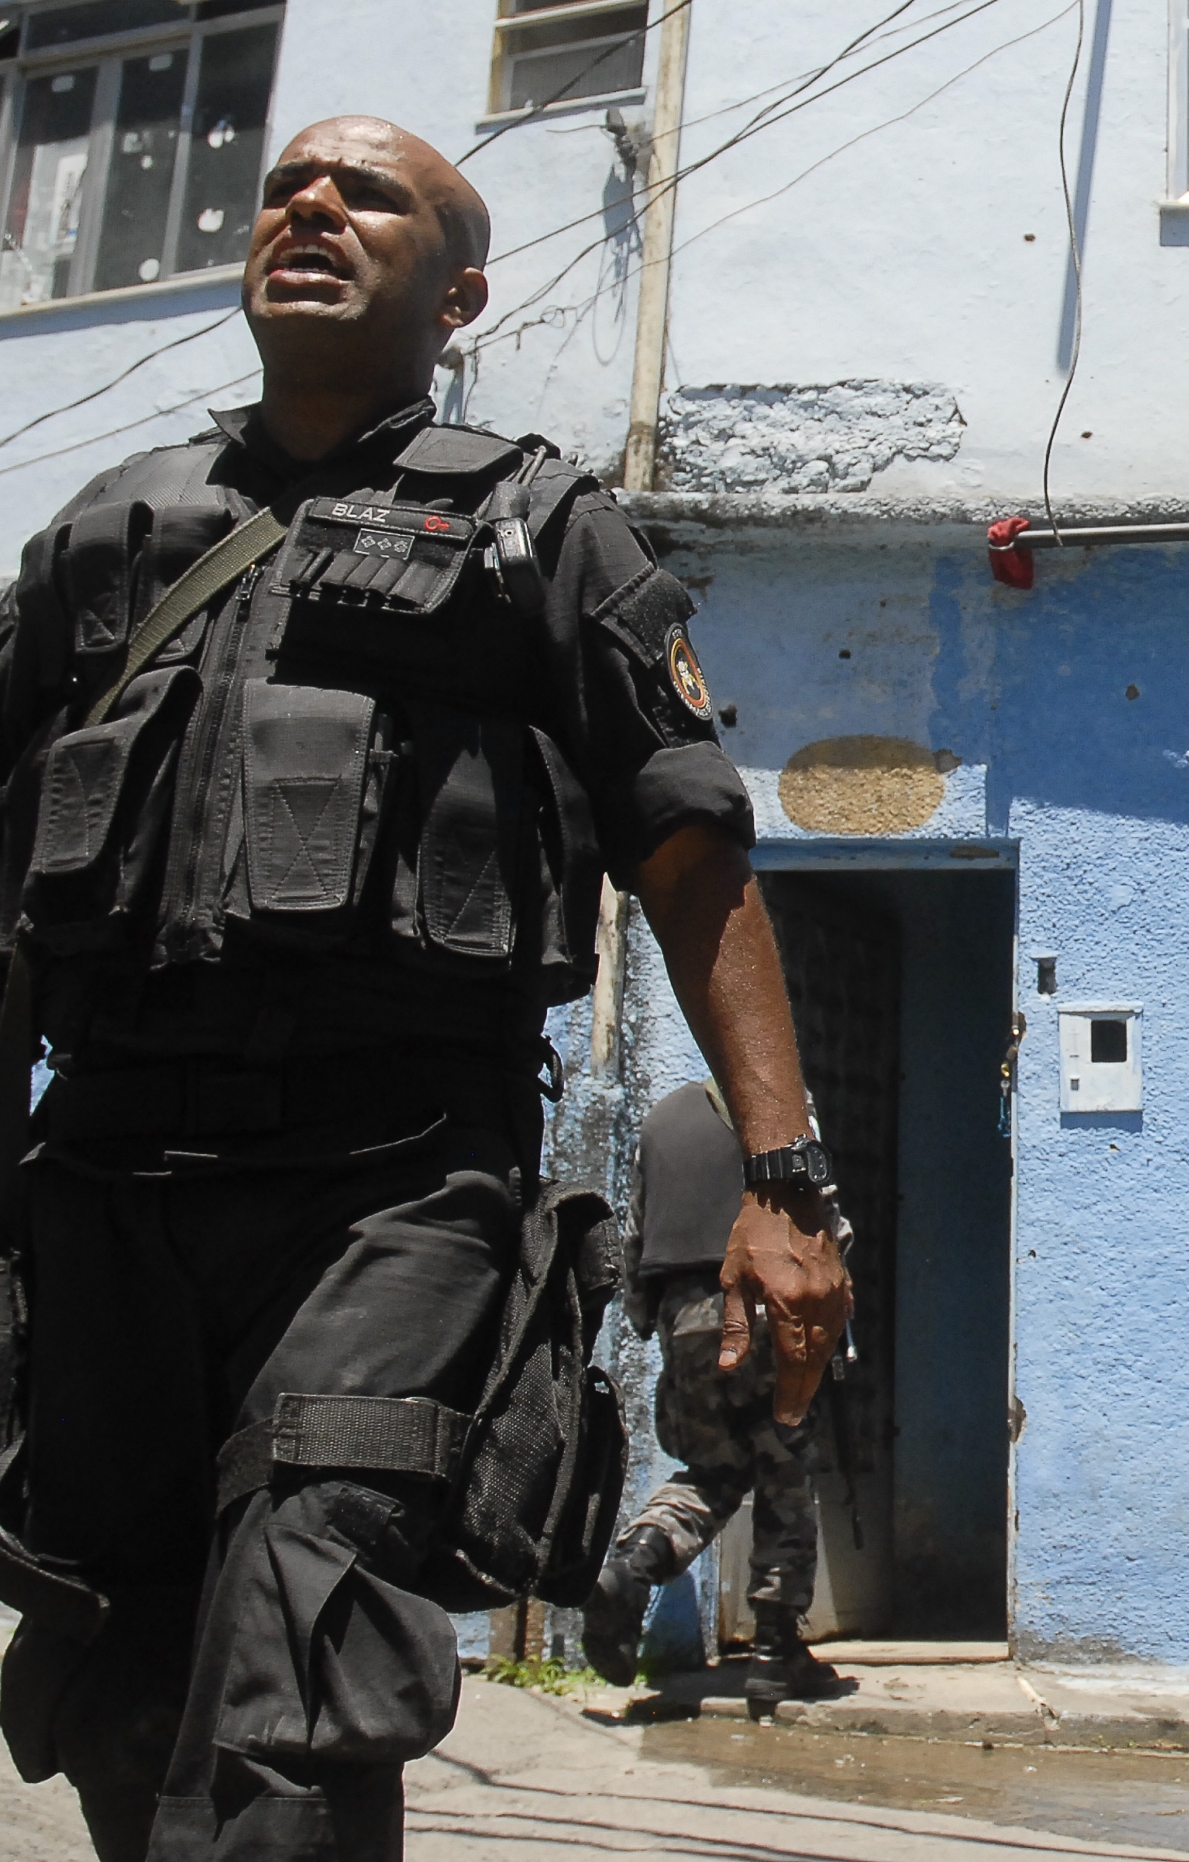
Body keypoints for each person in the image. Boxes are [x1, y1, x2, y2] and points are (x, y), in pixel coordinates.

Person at [0, 118, 850, 1862]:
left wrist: (785, 1185)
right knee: (117, 1670)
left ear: (458, 290)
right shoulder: (107, 532)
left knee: (301, 1654)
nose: (307, 206)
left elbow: (689, 851)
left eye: (367, 193)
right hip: (98, 1183)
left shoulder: (540, 526)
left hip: (389, 1185)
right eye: (285, 189)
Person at [583, 1081, 847, 1706]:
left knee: (716, 1467)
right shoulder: (777, 1099)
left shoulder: (660, 1119)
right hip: (757, 1303)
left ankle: (634, 1564)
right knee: (785, 1469)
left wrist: (652, 1320)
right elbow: (819, 1211)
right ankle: (776, 1647)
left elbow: (634, 1233)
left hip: (681, 1317)